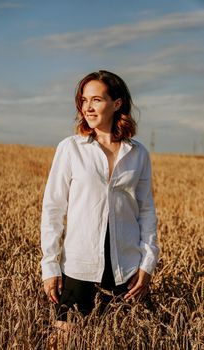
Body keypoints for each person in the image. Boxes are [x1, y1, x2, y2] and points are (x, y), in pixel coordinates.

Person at [40, 70, 159, 333]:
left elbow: (147, 211)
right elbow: (53, 209)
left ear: (117, 104)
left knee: (122, 340)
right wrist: (50, 265)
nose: (88, 107)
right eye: (83, 100)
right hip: (79, 267)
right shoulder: (70, 148)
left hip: (126, 270)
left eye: (96, 100)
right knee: (62, 340)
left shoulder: (138, 153)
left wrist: (148, 264)